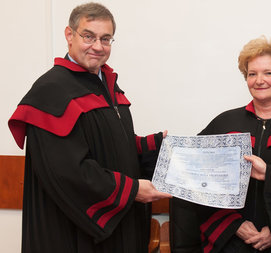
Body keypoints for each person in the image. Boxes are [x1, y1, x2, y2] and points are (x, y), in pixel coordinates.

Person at [8, 2, 171, 252]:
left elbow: (112, 144)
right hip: (73, 231)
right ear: (69, 35)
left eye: (105, 39)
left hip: (118, 226)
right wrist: (133, 189)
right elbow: (69, 172)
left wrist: (156, 144)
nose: (97, 46)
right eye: (88, 36)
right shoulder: (51, 91)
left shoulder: (105, 83)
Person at [170, 36, 271, 253]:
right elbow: (192, 179)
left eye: (268, 73)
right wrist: (232, 224)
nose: (259, 80)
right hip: (231, 243)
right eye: (252, 74)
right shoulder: (224, 124)